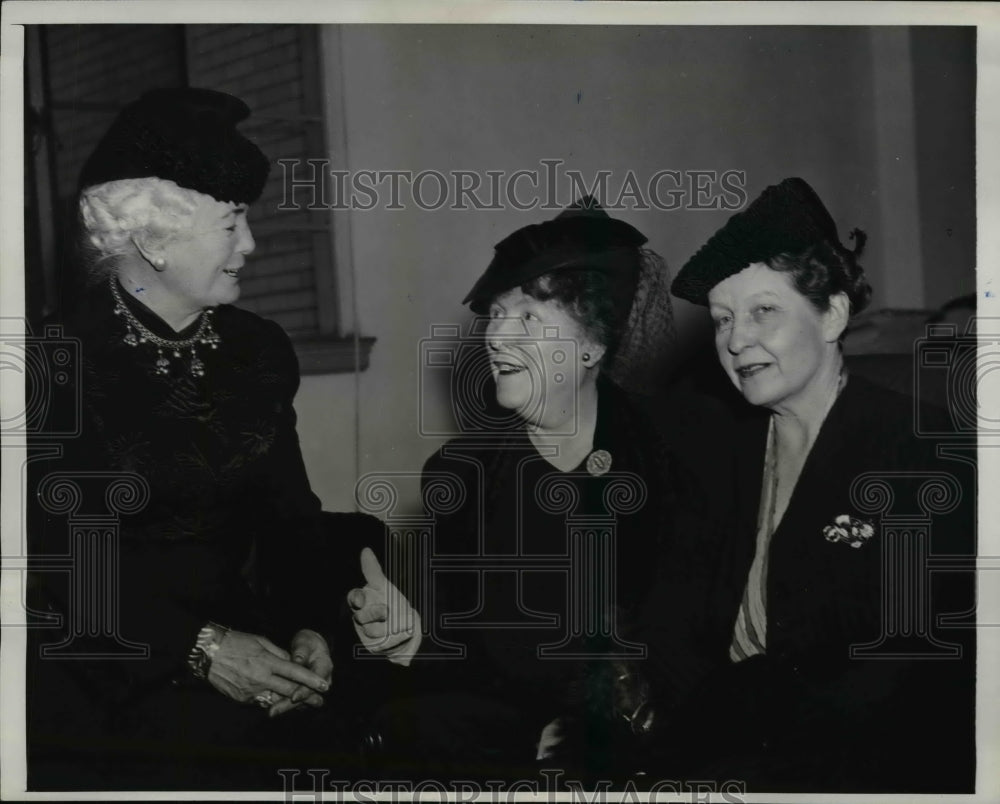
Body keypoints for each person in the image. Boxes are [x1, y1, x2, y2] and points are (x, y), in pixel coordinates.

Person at [25, 88, 400, 791]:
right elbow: (66, 560)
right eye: (230, 225)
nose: (251, 245)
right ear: (150, 241)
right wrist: (200, 650)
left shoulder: (257, 351)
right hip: (110, 664)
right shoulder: (53, 359)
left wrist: (312, 629)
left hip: (253, 643)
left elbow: (291, 518)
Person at [640, 177, 976, 791]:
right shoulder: (713, 449)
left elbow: (907, 672)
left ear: (833, 314)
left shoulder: (923, 452)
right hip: (717, 750)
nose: (737, 340)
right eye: (722, 320)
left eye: (764, 310)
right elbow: (673, 624)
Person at [360, 198, 677, 781]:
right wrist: (415, 642)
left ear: (593, 345)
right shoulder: (460, 474)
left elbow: (696, 634)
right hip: (514, 743)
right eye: (497, 314)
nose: (497, 338)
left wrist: (590, 733)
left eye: (529, 319)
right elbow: (475, 661)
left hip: (658, 736)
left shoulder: (672, 451)